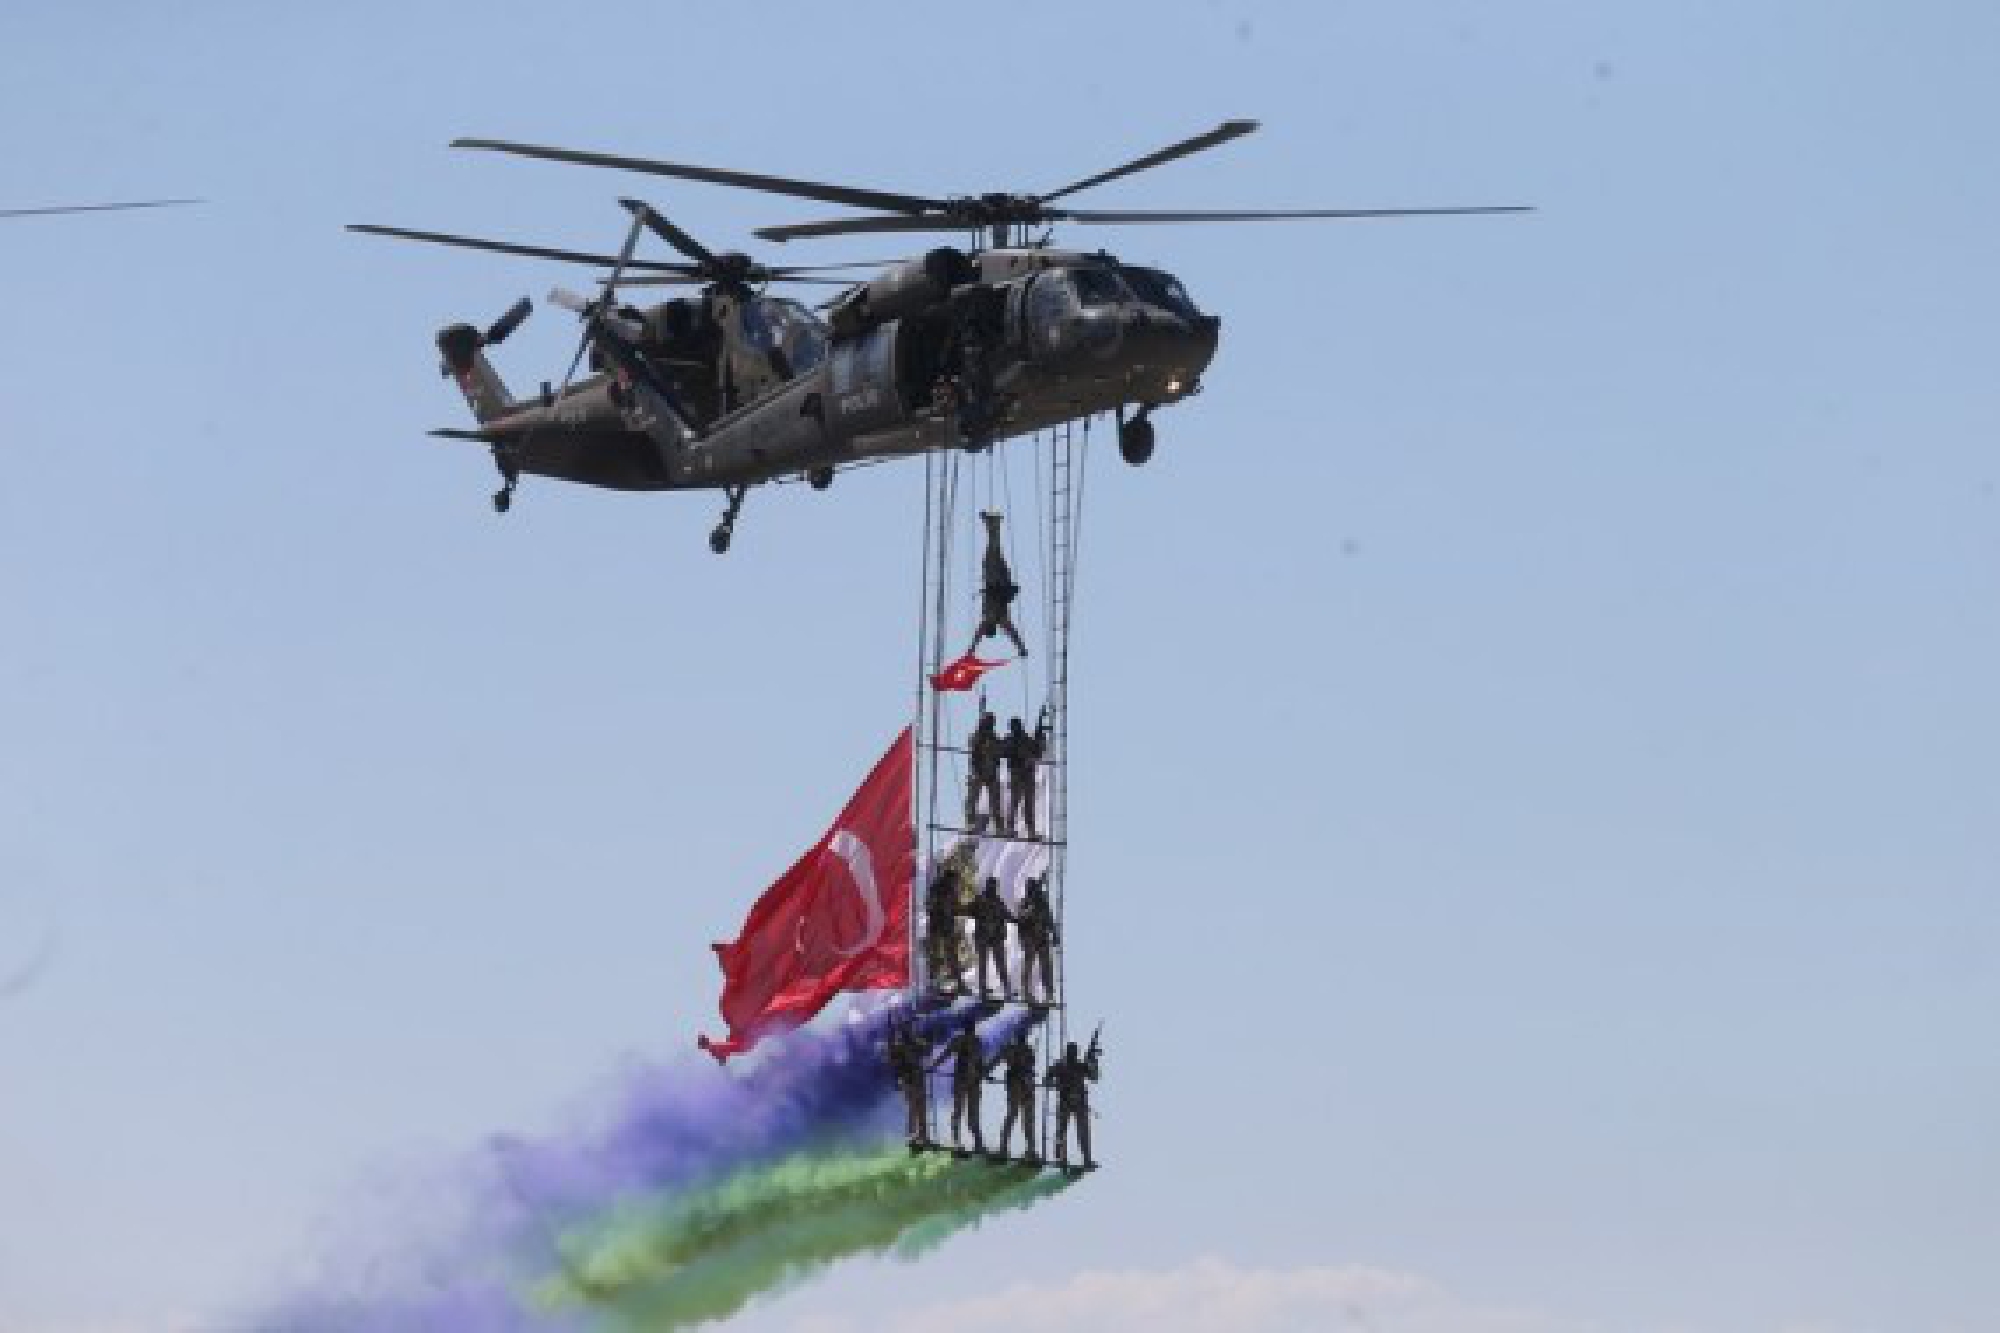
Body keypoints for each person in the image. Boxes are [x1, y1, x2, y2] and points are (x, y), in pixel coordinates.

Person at [969, 510, 1029, 658]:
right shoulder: (1000, 620)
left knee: (994, 551)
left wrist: (970, 652)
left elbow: (979, 635)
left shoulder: (997, 620)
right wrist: (1021, 648)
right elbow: (1012, 634)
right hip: (996, 578)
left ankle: (993, 524)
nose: (984, 626)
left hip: (999, 579)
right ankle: (993, 523)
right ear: (992, 627)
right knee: (993, 552)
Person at [1045, 1034, 1101, 1170]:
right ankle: (1061, 1158)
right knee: (1062, 1131)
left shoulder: (1080, 1065)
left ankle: (1086, 1159)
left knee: (1082, 1132)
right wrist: (1056, 1083)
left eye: (1074, 1052)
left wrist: (1093, 1059)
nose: (1073, 1055)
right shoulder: (1060, 1065)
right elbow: (1047, 1079)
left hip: (1079, 1102)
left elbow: (1094, 1076)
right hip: (1065, 1101)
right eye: (1071, 1052)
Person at [931, 1025, 987, 1154]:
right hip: (962, 1080)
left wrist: (984, 1073)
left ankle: (977, 1143)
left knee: (971, 1114)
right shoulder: (960, 1040)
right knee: (959, 1111)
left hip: (973, 1081)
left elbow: (980, 1061)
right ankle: (957, 1142)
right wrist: (933, 1065)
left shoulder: (976, 1041)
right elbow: (946, 1054)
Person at [988, 1028, 1040, 1163]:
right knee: (1013, 1115)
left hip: (1027, 1085)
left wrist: (986, 1071)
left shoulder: (1027, 1050)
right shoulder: (1012, 1049)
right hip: (1016, 1084)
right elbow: (995, 1061)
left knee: (1027, 1119)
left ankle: (1030, 1150)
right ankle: (1004, 1148)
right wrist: (986, 1072)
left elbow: (1030, 1065)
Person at [885, 1019, 933, 1149]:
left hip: (918, 1078)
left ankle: (923, 1136)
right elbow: (892, 1060)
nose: (907, 1031)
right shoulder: (898, 1046)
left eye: (909, 1028)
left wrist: (919, 1042)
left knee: (921, 1108)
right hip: (908, 1079)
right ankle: (912, 1136)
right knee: (913, 1107)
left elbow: (927, 1050)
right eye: (905, 1029)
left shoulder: (916, 1043)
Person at [1002, 708, 1051, 838]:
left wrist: (1040, 735)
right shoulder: (1017, 740)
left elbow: (1038, 753)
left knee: (1021, 803)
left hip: (1023, 774)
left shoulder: (1020, 740)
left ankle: (1024, 831)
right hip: (1022, 774)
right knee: (1019, 803)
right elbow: (1037, 752)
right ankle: (1020, 830)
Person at [969, 876, 1017, 1000]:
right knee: (994, 964)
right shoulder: (991, 901)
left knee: (992, 964)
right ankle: (998, 989)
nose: (994, 888)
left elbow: (1008, 916)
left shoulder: (989, 901)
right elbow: (1009, 916)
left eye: (994, 886)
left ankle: (992, 989)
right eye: (994, 886)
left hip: (991, 937)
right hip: (989, 937)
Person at [924, 861, 967, 996]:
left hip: (944, 926)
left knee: (949, 956)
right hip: (938, 926)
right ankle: (935, 985)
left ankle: (957, 984)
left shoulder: (947, 889)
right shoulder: (938, 888)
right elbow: (929, 906)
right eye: (956, 881)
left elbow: (957, 908)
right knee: (939, 956)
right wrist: (941, 908)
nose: (957, 885)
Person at [1016, 875, 1059, 1006]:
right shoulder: (1025, 903)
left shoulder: (1042, 903)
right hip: (1030, 938)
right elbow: (1021, 920)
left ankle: (1049, 994)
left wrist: (1055, 934)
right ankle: (1026, 992)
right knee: (1028, 966)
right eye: (1032, 888)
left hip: (1042, 938)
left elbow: (1049, 919)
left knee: (1046, 967)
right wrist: (1030, 909)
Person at [964, 710, 1005, 832]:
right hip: (979, 771)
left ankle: (998, 825)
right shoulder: (978, 736)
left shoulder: (992, 737)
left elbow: (1000, 751)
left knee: (995, 799)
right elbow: (973, 749)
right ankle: (970, 822)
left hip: (990, 772)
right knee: (973, 798)